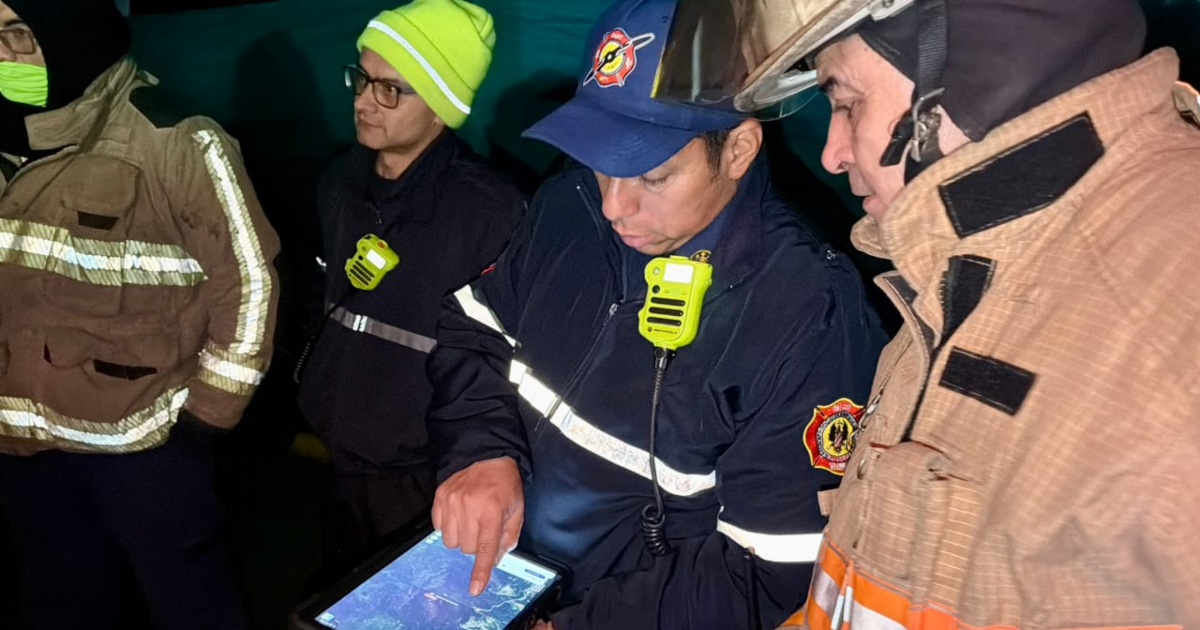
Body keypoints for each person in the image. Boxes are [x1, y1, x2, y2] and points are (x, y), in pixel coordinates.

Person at [655, 0, 1200, 627]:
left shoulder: (1170, 324)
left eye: (847, 102)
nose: (831, 154)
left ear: (975, 74)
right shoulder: (955, 269)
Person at [425, 0, 887, 627]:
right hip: (505, 581)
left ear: (740, 150)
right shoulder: (572, 199)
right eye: (601, 158)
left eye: (654, 175)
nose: (616, 206)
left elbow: (770, 568)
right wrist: (483, 451)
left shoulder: (809, 311)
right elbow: (475, 328)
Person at [0, 1, 280, 629]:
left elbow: (250, 281)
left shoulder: (175, 138)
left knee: (192, 605)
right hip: (23, 444)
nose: (6, 56)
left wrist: (206, 415)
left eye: (21, 34)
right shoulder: (5, 131)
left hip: (143, 445)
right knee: (59, 599)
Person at [295, 0, 525, 584]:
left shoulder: (491, 212)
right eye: (361, 78)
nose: (364, 99)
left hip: (428, 479)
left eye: (391, 90)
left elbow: (499, 362)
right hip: (340, 461)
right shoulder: (338, 183)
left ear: (442, 109)